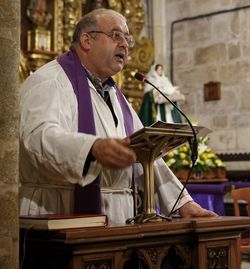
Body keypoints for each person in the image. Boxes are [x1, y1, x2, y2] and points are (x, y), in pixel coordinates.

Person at [18, 8, 216, 225]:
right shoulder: (50, 81)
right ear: (86, 40)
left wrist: (182, 203)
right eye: (116, 35)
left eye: (127, 38)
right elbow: (38, 139)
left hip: (119, 219)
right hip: (59, 215)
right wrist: (91, 148)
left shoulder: (114, 94)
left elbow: (147, 154)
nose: (125, 45)